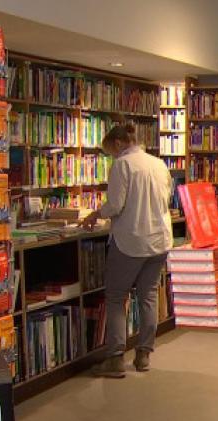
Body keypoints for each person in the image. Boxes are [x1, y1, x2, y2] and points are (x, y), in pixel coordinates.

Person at [81, 124, 173, 378]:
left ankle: (115, 358)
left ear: (119, 143)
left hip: (131, 241)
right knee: (148, 295)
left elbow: (115, 205)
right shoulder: (158, 164)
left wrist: (95, 214)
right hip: (159, 240)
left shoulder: (122, 165)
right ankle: (143, 354)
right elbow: (165, 199)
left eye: (110, 150)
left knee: (116, 297)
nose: (111, 155)